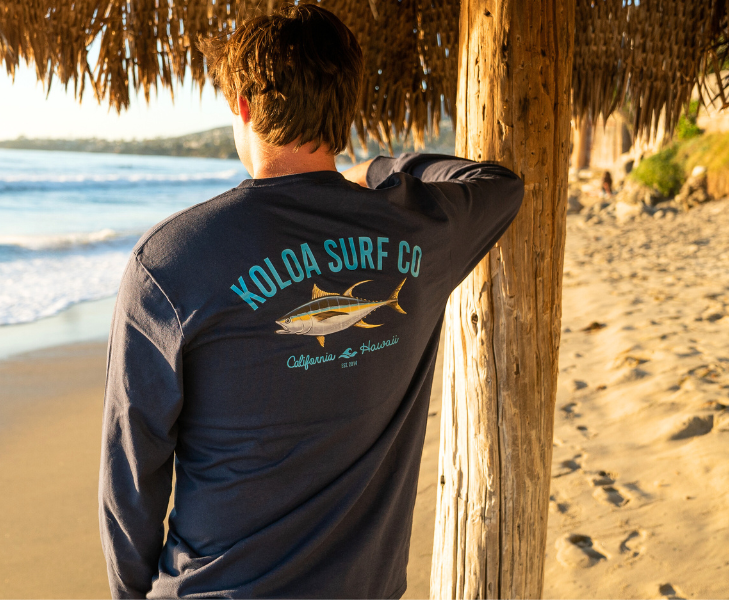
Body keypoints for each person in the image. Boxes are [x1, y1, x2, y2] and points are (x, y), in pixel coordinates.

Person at [97, 6, 524, 598]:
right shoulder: (421, 236)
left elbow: (130, 472)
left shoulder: (172, 263)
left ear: (243, 106)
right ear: (345, 109)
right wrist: (379, 169)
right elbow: (498, 185)